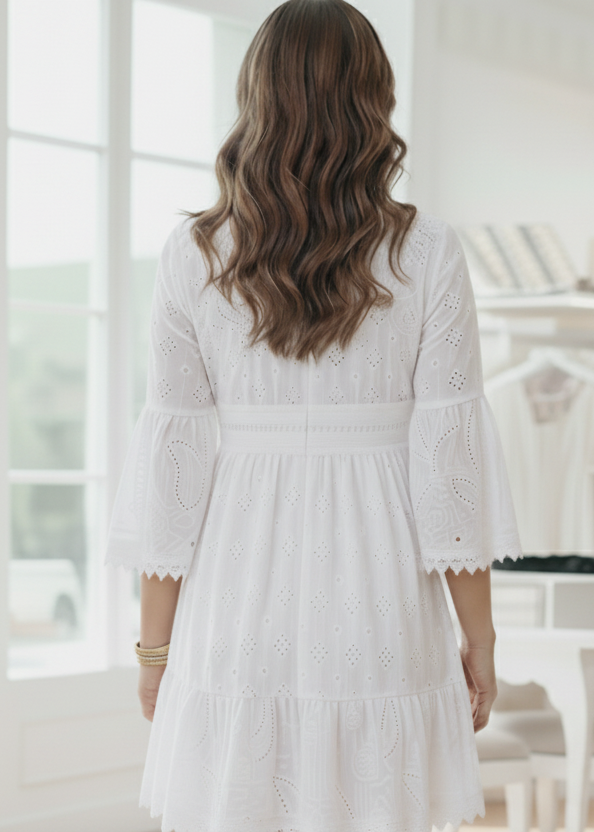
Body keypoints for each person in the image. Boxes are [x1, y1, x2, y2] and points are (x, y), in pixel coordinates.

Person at [104, 1, 523, 830]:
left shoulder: (193, 255)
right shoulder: (428, 251)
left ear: (255, 98)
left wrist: (155, 649)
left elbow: (172, 475)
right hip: (381, 591)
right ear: (375, 102)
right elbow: (449, 472)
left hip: (234, 590)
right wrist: (481, 638)